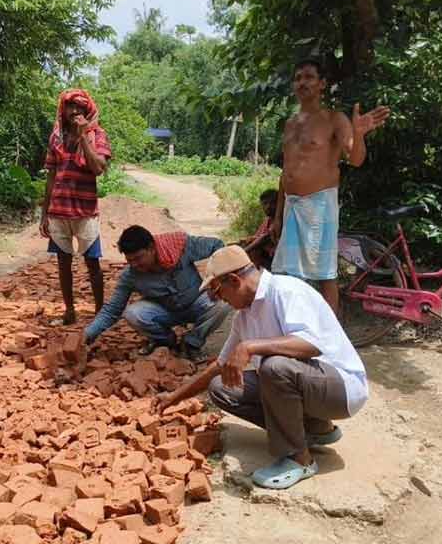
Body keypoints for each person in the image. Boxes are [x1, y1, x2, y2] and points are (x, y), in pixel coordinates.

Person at [155, 245, 368, 490]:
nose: (220, 300)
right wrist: (172, 398)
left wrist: (251, 347)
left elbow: (311, 345)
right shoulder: (244, 316)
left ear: (234, 280)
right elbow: (218, 366)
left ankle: (299, 459)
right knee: (222, 387)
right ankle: (316, 429)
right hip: (308, 385)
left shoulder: (286, 291)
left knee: (274, 367)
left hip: (341, 388)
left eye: (218, 292)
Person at [271, 58, 390, 314]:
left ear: (322, 84)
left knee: (324, 275)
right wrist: (278, 215)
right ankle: (294, 332)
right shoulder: (291, 123)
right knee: (286, 275)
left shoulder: (335, 119)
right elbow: (286, 171)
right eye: (298, 77)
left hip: (319, 205)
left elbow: (356, 159)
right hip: (291, 207)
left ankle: (329, 340)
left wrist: (358, 134)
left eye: (309, 77)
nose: (302, 82)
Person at [83, 226, 231, 361]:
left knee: (223, 302)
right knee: (132, 313)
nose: (134, 264)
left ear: (152, 248)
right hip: (165, 313)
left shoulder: (181, 247)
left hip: (196, 304)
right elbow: (112, 310)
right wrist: (88, 334)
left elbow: (217, 246)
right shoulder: (130, 276)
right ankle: (165, 342)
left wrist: (216, 281)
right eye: (130, 260)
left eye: (138, 258)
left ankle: (191, 344)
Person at [39, 89, 112, 326]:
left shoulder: (97, 135)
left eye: (80, 108)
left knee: (92, 263)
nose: (75, 112)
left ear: (87, 111)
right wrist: (44, 213)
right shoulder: (56, 138)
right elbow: (51, 176)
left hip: (85, 211)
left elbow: (98, 168)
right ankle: (69, 311)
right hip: (59, 211)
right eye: (70, 107)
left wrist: (82, 137)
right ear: (64, 110)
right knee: (63, 263)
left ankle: (101, 311)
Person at [240, 188, 278, 269]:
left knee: (253, 249)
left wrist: (244, 251)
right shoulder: (268, 220)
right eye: (265, 203)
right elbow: (258, 236)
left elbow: (264, 238)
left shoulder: (280, 220)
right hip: (266, 256)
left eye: (272, 203)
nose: (268, 207)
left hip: (274, 259)